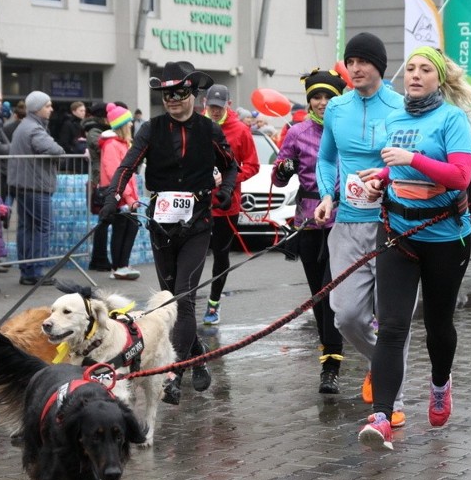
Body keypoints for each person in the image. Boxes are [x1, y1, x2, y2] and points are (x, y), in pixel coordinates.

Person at [356, 47, 471, 450]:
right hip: (397, 232)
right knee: (392, 327)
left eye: (424, 69)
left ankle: (440, 383)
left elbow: (461, 177)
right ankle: (381, 415)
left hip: (446, 237)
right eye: (410, 68)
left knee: (437, 327)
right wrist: (382, 176)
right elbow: (399, 167)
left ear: (440, 78)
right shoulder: (395, 117)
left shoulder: (452, 120)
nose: (414, 75)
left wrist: (412, 157)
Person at [100, 61, 238, 406]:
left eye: (178, 92)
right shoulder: (152, 128)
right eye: (165, 94)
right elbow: (127, 165)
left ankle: (174, 373)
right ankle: (198, 354)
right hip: (162, 226)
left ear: (192, 93)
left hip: (197, 225)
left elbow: (231, 166)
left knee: (183, 298)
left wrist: (224, 193)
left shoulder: (208, 129)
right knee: (168, 300)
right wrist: (112, 196)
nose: (172, 99)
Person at [314, 32, 410, 428]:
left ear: (379, 67)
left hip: (393, 223)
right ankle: (381, 364)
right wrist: (326, 196)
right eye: (350, 61)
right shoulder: (336, 108)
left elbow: (412, 159)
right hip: (348, 225)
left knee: (391, 320)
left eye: (363, 61)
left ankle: (393, 398)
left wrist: (386, 180)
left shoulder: (402, 107)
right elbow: (326, 158)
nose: (354, 68)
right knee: (346, 316)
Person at [273, 68, 347, 394]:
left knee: (331, 293)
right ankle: (327, 353)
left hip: (344, 221)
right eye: (316, 97)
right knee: (318, 296)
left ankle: (332, 366)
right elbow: (278, 178)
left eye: (328, 96)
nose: (321, 102)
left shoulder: (348, 129)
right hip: (308, 222)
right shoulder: (296, 132)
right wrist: (283, 169)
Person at [202, 84, 260, 325]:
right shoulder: (198, 127)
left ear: (228, 104)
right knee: (192, 255)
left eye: (219, 106)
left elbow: (252, 165)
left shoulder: (240, 130)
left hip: (227, 204)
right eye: (211, 106)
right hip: (198, 203)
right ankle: (183, 302)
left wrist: (229, 179)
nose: (215, 111)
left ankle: (214, 303)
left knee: (221, 254)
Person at [7, 90, 66, 286]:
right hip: (36, 185)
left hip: (25, 184)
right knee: (42, 227)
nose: (51, 109)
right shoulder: (34, 129)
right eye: (48, 106)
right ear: (37, 109)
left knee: (27, 227)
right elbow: (55, 149)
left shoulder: (24, 126)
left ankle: (28, 270)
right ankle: (36, 270)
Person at [98, 103, 141, 280]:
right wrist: (129, 196)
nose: (131, 124)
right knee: (121, 230)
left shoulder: (122, 144)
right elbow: (116, 172)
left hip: (126, 196)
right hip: (121, 197)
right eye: (129, 121)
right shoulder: (112, 145)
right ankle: (118, 265)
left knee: (129, 228)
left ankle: (123, 263)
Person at [84, 102, 113, 271]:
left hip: (104, 178)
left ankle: (100, 257)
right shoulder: (95, 131)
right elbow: (100, 147)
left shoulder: (99, 130)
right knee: (104, 221)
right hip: (100, 179)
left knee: (105, 221)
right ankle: (99, 258)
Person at [57, 100, 87, 173]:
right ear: (74, 111)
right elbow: (64, 142)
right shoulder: (68, 124)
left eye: (84, 110)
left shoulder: (84, 124)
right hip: (73, 159)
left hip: (82, 157)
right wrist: (74, 150)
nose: (83, 113)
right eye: (81, 111)